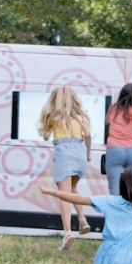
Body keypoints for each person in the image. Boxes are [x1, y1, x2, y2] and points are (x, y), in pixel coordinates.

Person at [38, 86, 92, 250]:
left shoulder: (55, 116)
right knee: (73, 188)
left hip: (64, 152)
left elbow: (46, 136)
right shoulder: (81, 117)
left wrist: (49, 124)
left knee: (64, 194)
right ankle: (82, 219)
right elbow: (88, 136)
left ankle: (67, 232)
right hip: (80, 151)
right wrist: (88, 154)